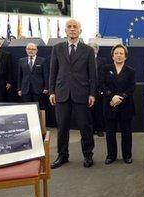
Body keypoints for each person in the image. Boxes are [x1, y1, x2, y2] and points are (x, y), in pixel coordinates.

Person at [49, 19, 96, 169]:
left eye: (75, 27)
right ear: (65, 30)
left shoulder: (88, 50)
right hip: (61, 93)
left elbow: (93, 75)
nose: (72, 29)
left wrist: (92, 94)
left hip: (82, 94)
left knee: (85, 127)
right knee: (62, 127)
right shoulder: (57, 48)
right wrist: (51, 91)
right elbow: (53, 72)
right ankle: (62, 156)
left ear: (80, 30)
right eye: (69, 27)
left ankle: (88, 155)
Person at [100, 44, 136, 164]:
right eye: (116, 53)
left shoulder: (131, 71)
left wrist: (121, 97)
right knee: (110, 132)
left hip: (126, 106)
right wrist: (112, 96)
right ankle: (111, 156)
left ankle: (127, 155)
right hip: (110, 104)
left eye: (121, 53)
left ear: (125, 56)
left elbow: (132, 88)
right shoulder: (105, 68)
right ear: (112, 56)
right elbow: (102, 85)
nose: (119, 55)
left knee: (126, 133)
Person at [17, 43, 49, 109]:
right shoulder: (21, 60)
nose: (31, 51)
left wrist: (46, 87)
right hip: (25, 89)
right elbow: (19, 76)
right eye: (29, 49)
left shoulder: (42, 60)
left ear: (36, 50)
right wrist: (19, 89)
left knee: (39, 108)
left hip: (39, 89)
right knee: (27, 108)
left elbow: (46, 75)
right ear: (26, 50)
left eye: (33, 49)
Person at [91, 43, 107, 137]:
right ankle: (92, 129)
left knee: (99, 111)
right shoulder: (85, 59)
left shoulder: (103, 60)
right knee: (89, 111)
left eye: (94, 49)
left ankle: (100, 129)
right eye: (91, 49)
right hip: (88, 89)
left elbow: (104, 75)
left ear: (97, 50)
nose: (93, 50)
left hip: (99, 89)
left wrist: (102, 89)